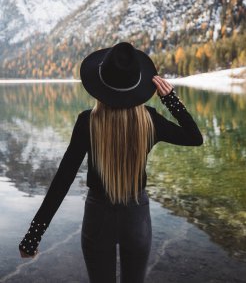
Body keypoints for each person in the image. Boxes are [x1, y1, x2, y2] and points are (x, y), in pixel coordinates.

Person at [19, 42, 203, 283]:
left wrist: (34, 234)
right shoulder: (149, 121)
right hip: (137, 216)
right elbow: (194, 137)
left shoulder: (88, 122)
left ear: (99, 85)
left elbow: (63, 180)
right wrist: (170, 100)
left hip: (98, 216)